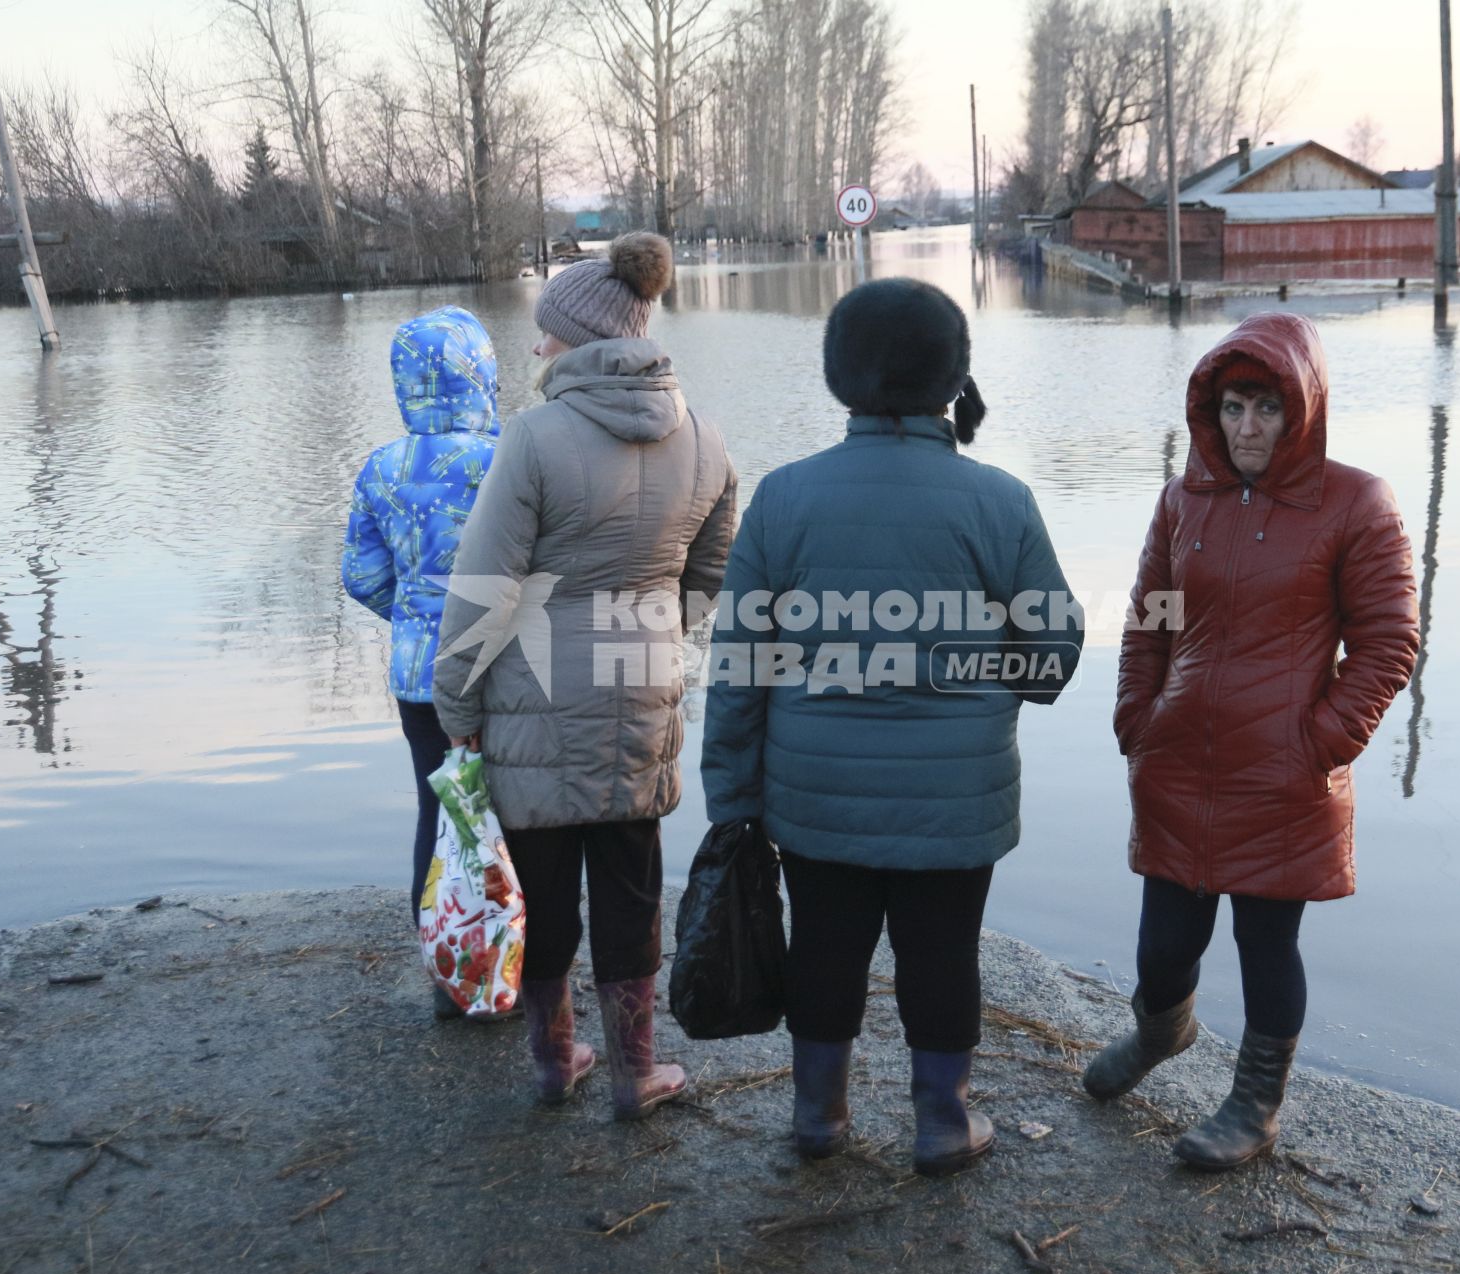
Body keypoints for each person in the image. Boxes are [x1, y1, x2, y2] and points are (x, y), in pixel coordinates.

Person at [702, 279, 1083, 1177]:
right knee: (943, 958)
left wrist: (734, 798)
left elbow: (738, 665)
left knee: (824, 950)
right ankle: (942, 1124)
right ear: (954, 381)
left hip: (813, 794)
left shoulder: (785, 498)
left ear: (843, 379)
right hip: (956, 801)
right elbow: (1054, 653)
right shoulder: (1000, 501)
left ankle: (817, 1119)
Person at [1085, 311, 1419, 1170]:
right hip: (1177, 764)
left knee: (1266, 946)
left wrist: (1320, 741)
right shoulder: (1181, 497)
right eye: (1234, 408)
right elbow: (1149, 619)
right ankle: (1164, 1032)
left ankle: (1256, 1105)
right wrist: (1138, 717)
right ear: (1212, 410)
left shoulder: (1356, 502)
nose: (1247, 429)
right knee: (1163, 946)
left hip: (1283, 777)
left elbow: (1388, 643)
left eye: (1267, 409)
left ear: (1302, 410)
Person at [433, 232, 737, 1120]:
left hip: (532, 705)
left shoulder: (531, 439)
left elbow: (485, 589)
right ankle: (637, 1075)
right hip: (642, 697)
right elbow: (708, 579)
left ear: (579, 339)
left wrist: (455, 706)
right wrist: (647, 641)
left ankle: (555, 1061)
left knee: (546, 890)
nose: (535, 347)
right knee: (633, 886)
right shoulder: (708, 441)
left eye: (546, 332)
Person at [342, 305, 502, 1020]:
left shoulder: (381, 468)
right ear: (484, 372)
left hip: (419, 677)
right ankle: (512, 966)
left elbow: (361, 575)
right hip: (505, 667)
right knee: (513, 820)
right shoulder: (509, 457)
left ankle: (447, 978)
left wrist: (414, 618)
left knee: (437, 814)